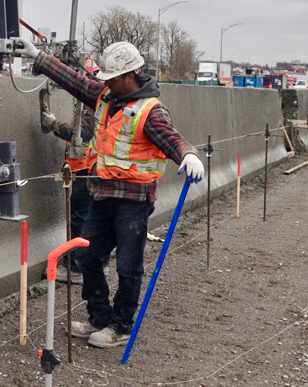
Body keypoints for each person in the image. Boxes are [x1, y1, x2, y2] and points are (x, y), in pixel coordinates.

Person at [15, 39, 204, 348]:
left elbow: (172, 139)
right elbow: (75, 81)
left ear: (129, 76)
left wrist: (188, 155)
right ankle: (98, 317)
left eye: (111, 77)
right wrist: (39, 57)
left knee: (129, 265)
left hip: (134, 200)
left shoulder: (150, 111)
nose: (106, 82)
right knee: (87, 256)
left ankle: (121, 326)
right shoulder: (106, 96)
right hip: (103, 194)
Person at [40, 58, 98, 283]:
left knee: (79, 219)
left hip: (87, 170)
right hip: (85, 169)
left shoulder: (94, 105)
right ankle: (88, 264)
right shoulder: (94, 103)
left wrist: (54, 124)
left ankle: (75, 268)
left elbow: (81, 133)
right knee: (86, 218)